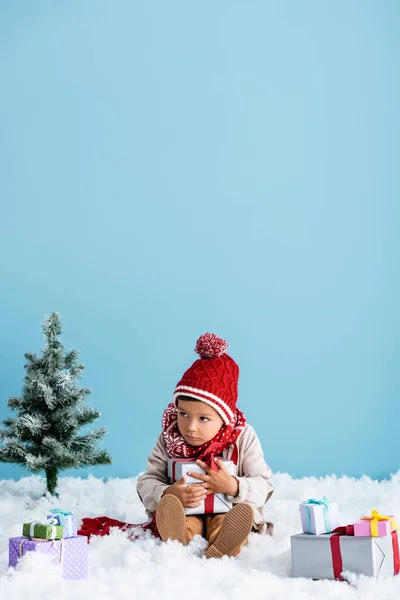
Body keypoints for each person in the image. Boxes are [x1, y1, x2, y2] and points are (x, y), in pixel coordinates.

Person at [137, 333, 274, 558]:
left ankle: (224, 544)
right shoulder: (169, 437)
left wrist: (233, 486)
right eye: (183, 414)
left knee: (226, 519)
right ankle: (178, 538)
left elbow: (264, 485)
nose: (190, 427)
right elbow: (146, 481)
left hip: (228, 508)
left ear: (224, 418)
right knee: (184, 519)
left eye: (203, 419)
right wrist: (168, 493)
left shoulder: (243, 436)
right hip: (185, 509)